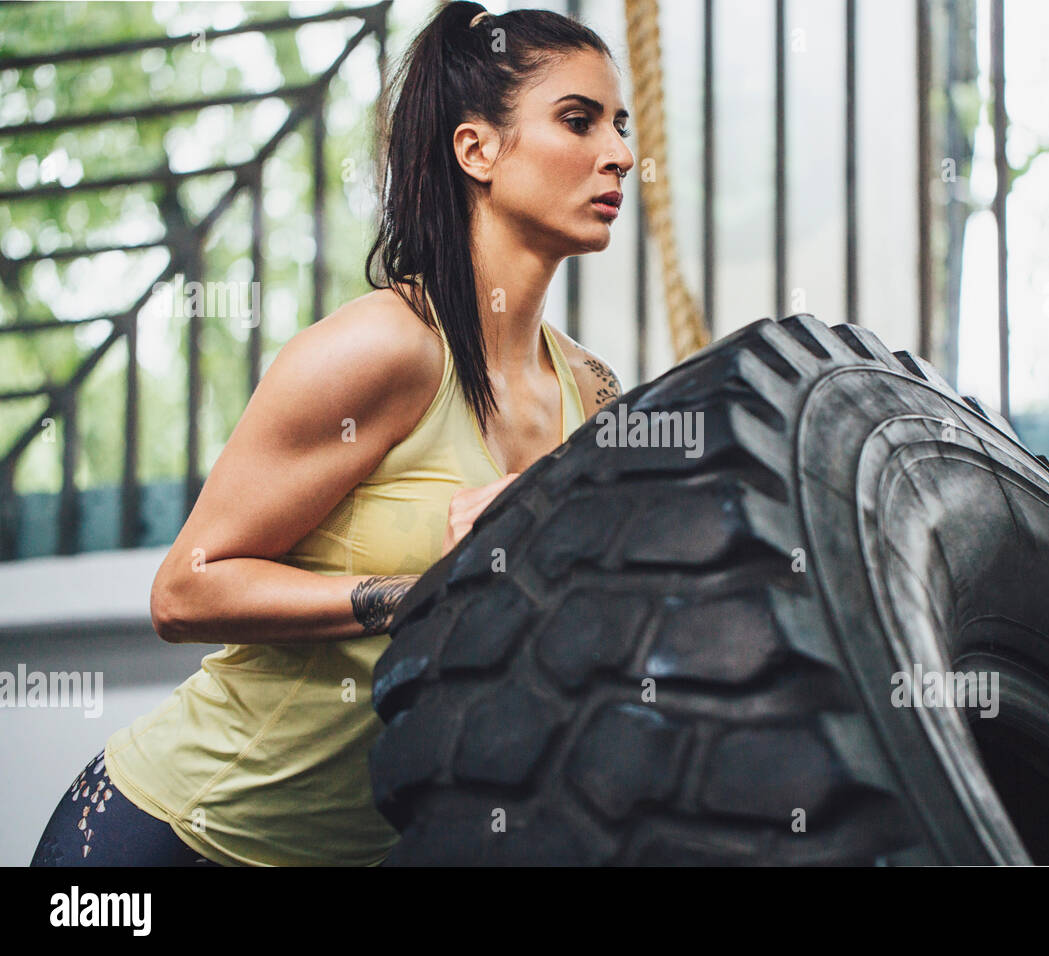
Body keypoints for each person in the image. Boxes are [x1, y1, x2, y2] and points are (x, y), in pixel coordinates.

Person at [30, 0, 633, 866]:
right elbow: (184, 593)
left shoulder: (593, 393)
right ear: (477, 150)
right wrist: (413, 595)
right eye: (578, 121)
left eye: (619, 124)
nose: (618, 153)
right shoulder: (380, 350)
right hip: (171, 836)